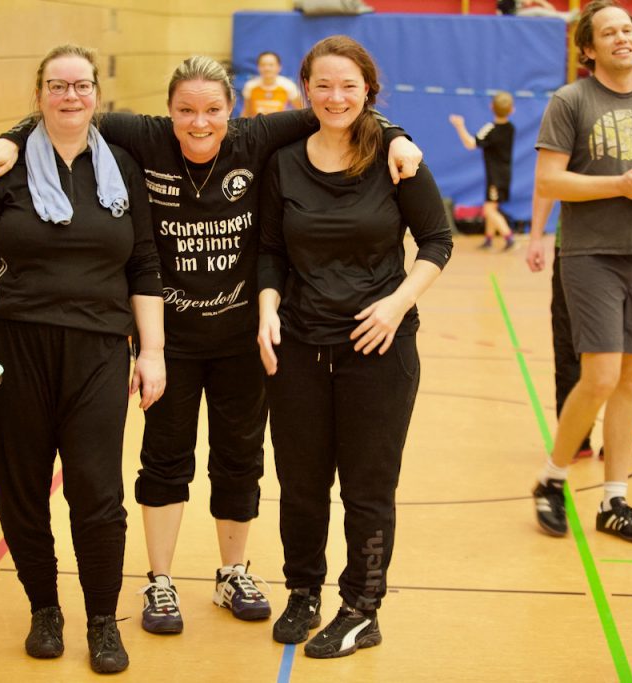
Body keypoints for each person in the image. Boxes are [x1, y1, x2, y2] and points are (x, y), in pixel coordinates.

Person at [0, 57, 423, 638]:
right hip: (171, 343)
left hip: (241, 339)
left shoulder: (254, 138)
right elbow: (71, 110)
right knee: (164, 459)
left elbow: (336, 108)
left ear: (232, 111)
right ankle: (160, 580)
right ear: (168, 112)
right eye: (185, 110)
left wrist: (396, 134)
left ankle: (232, 572)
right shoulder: (145, 137)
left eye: (212, 109)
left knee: (239, 460)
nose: (199, 121)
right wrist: (10, 140)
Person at [0, 44, 165, 675]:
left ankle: (101, 620)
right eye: (58, 85)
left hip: (98, 349)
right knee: (19, 489)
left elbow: (143, 263)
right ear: (39, 93)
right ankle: (44, 608)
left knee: (98, 492)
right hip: (10, 350)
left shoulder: (122, 167)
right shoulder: (0, 169)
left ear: (97, 94)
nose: (71, 96)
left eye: (81, 85)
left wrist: (152, 350)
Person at [257, 35, 452, 659]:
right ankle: (303, 591)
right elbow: (270, 251)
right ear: (305, 90)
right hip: (299, 346)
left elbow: (438, 240)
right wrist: (267, 309)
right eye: (323, 85)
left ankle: (362, 609)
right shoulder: (284, 161)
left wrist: (397, 304)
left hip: (378, 348)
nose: (335, 97)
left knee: (367, 488)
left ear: (368, 89)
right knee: (301, 483)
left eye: (348, 85)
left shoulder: (397, 159)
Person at [526, 0, 632, 545]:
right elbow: (550, 181)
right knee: (600, 376)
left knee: (630, 380)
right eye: (609, 32)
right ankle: (552, 478)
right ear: (588, 48)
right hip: (590, 254)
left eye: (628, 30)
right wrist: (619, 186)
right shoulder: (571, 100)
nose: (622, 37)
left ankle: (614, 500)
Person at [527, 195, 632, 460]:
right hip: (576, 249)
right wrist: (536, 236)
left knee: (628, 347)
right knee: (569, 343)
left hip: (630, 248)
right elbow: (546, 183)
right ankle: (575, 436)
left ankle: (629, 428)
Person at [449, 92, 516, 251]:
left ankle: (509, 238)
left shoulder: (491, 129)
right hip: (504, 174)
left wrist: (459, 126)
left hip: (495, 177)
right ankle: (488, 240)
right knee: (491, 207)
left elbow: (470, 144)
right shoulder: (511, 128)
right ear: (511, 110)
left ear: (491, 107)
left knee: (489, 210)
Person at [241, 51, 303, 117]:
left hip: (280, 123)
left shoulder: (289, 86)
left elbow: (300, 110)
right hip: (257, 123)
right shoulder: (250, 86)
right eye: (263, 65)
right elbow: (246, 113)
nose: (267, 68)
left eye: (271, 65)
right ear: (258, 67)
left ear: (279, 67)